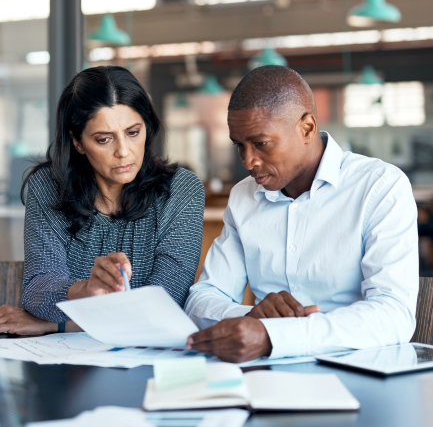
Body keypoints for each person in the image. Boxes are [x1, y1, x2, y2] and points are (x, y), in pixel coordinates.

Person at [184, 65, 418, 363]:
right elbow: (203, 299)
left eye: (261, 143)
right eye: (239, 145)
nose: (248, 160)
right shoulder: (244, 197)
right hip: (266, 375)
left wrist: (275, 336)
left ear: (306, 128)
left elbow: (393, 315)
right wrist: (250, 317)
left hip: (359, 370)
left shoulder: (380, 186)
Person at [0, 66, 204, 335]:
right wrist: (86, 289)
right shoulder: (49, 186)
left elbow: (164, 306)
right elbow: (38, 292)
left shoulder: (182, 190)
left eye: (133, 132)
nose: (123, 152)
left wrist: (54, 324)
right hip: (70, 364)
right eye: (104, 139)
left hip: (149, 360)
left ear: (147, 127)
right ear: (78, 142)